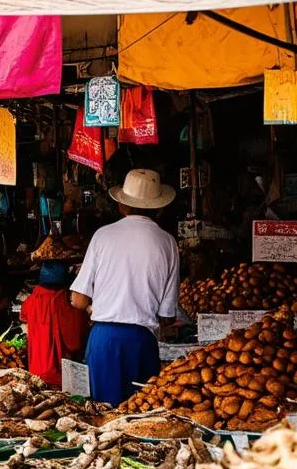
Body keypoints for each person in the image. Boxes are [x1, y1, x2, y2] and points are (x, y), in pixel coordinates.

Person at [70, 169, 179, 406]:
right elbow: (167, 315)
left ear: (122, 205)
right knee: (141, 415)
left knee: (104, 418)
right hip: (142, 342)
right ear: (158, 207)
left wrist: (94, 307)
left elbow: (78, 300)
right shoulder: (168, 243)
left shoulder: (103, 236)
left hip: (104, 340)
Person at [20, 261, 90, 388]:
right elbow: (75, 342)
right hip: (61, 376)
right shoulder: (65, 303)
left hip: (35, 372)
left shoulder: (31, 300)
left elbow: (24, 319)